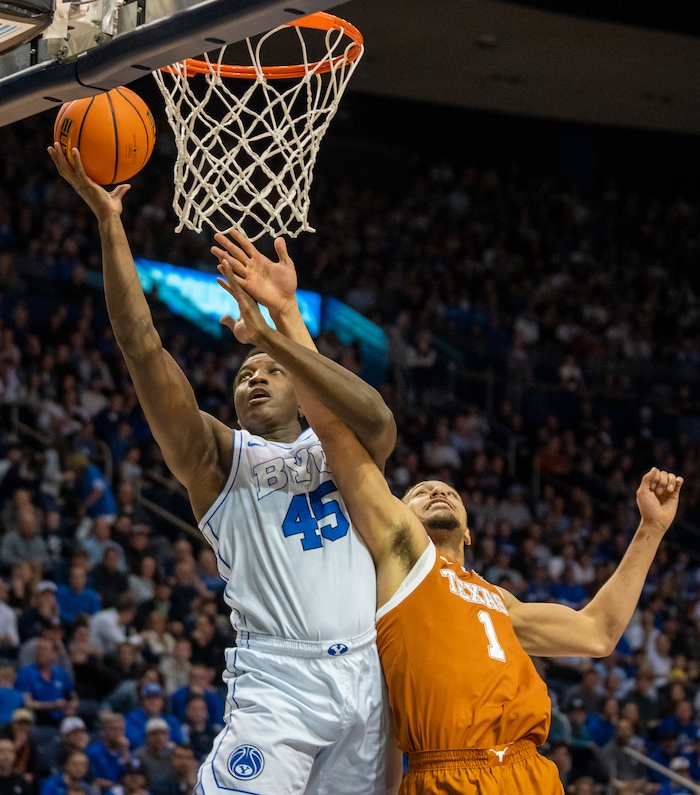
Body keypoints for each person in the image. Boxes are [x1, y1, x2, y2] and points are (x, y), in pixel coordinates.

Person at [217, 250, 684, 795]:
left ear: (469, 531)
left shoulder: (497, 602)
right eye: (417, 493)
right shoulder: (399, 560)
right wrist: (288, 317)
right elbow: (336, 432)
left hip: (533, 774)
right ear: (396, 516)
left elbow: (599, 633)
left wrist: (650, 528)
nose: (436, 489)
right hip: (448, 774)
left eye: (448, 492)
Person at [49, 145, 400, 795]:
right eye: (243, 375)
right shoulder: (220, 459)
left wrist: (278, 331)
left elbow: (375, 414)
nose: (254, 378)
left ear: (300, 388)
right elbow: (141, 345)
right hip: (280, 684)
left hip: (371, 681)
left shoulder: (344, 450)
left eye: (269, 372)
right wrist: (110, 223)